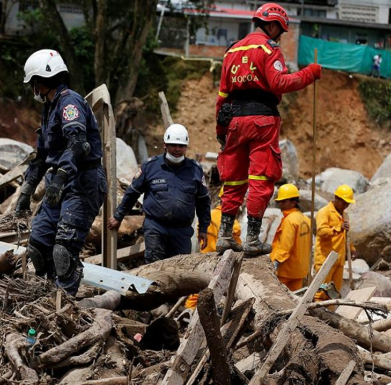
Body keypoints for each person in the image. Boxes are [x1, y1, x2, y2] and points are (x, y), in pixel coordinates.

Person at [214, 3, 322, 256]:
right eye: (280, 31)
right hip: (262, 120)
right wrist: (309, 73)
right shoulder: (268, 49)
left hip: (233, 122)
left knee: (234, 179)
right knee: (262, 177)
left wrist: (221, 129)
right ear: (272, 25)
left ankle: (225, 236)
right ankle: (252, 239)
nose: (280, 36)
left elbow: (222, 95)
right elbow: (279, 82)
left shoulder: (232, 50)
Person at [15, 49, 107, 296]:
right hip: (61, 181)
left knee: (63, 250)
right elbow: (42, 155)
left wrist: (60, 178)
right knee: (38, 244)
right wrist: (26, 191)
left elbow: (78, 144)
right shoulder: (50, 108)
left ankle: (63, 303)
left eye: (32, 83)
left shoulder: (69, 103)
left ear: (38, 82)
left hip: (83, 182)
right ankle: (46, 293)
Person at [108, 124, 210, 264]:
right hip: (156, 227)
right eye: (173, 145)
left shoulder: (195, 170)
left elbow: (203, 202)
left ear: (186, 147)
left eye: (181, 146)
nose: (177, 149)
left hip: (182, 231)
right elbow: (132, 193)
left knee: (180, 269)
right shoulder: (151, 167)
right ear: (165, 145)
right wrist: (118, 216)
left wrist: (204, 228)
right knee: (154, 267)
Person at [314, 184, 357, 301]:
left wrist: (351, 248)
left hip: (339, 261)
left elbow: (345, 235)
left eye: (347, 204)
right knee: (321, 291)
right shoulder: (324, 212)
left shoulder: (344, 215)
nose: (346, 206)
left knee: (334, 293)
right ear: (336, 199)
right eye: (344, 203)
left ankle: (330, 316)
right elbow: (321, 231)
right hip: (325, 260)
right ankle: (316, 315)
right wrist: (338, 228)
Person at [270, 184, 311, 291]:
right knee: (294, 300)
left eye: (283, 202)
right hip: (300, 270)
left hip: (286, 270)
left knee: (279, 298)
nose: (280, 204)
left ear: (293, 202)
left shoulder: (290, 220)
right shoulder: (305, 219)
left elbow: (286, 245)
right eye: (279, 201)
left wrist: (277, 261)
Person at [201, 186, 242, 253]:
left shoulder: (207, 215)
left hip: (205, 256)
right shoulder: (233, 223)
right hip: (223, 256)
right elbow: (237, 247)